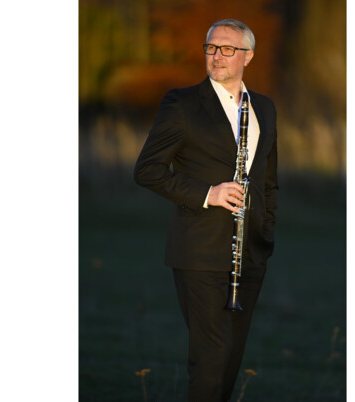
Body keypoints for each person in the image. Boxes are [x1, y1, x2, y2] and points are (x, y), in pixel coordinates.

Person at [134, 19, 278, 402]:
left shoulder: (264, 107)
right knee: (211, 356)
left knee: (230, 359)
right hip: (199, 250)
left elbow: (268, 181)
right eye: (211, 47)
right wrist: (207, 193)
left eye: (228, 49)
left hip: (250, 251)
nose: (217, 55)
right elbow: (147, 170)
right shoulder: (181, 103)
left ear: (248, 56)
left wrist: (266, 230)